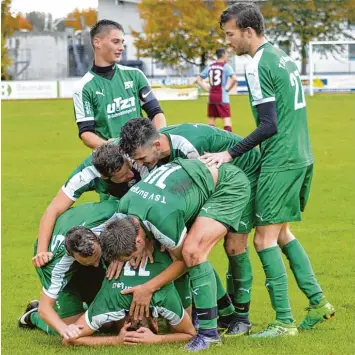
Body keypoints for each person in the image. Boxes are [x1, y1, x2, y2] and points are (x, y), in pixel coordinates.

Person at [200, 2, 335, 337]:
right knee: (282, 232)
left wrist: (229, 154)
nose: (228, 42)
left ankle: (284, 322)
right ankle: (318, 303)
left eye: (230, 35)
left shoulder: (257, 64)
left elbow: (269, 125)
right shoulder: (282, 56)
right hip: (303, 155)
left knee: (263, 240)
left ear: (248, 31)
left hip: (281, 159)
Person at [119, 118, 261, 334]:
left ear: (156, 146)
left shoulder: (189, 149)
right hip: (210, 178)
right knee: (188, 246)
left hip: (243, 171)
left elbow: (200, 187)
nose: (139, 164)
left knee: (232, 245)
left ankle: (241, 316)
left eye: (141, 158)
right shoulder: (152, 150)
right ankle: (223, 310)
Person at [100, 158, 250, 351]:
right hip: (193, 180)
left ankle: (208, 334)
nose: (133, 261)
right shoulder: (125, 208)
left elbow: (184, 262)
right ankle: (227, 315)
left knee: (193, 253)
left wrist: (148, 288)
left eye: (130, 257)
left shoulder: (162, 221)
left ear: (138, 240)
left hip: (228, 184)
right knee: (184, 251)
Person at [32, 143, 148, 272]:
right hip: (115, 197)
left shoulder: (136, 156)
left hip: (147, 191)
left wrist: (145, 239)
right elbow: (54, 209)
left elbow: (153, 203)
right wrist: (41, 251)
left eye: (129, 168)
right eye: (123, 175)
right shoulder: (84, 175)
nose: (131, 175)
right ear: (104, 177)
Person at [62, 239, 196, 346]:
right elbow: (190, 334)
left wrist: (116, 341)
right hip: (152, 239)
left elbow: (69, 340)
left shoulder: (110, 302)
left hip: (145, 237)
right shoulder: (164, 300)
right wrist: (156, 339)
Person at [19, 200, 120, 340]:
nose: (97, 265)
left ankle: (85, 307)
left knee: (108, 324)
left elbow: (137, 209)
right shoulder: (55, 265)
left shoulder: (112, 213)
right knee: (72, 326)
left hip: (85, 222)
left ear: (96, 237)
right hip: (58, 264)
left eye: (97, 257)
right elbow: (45, 308)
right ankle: (32, 316)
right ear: (71, 255)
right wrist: (64, 330)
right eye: (89, 263)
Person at [73, 19, 166, 149]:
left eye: (122, 42)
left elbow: (156, 112)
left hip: (144, 155)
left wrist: (158, 140)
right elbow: (86, 133)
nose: (121, 47)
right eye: (115, 42)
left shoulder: (135, 75)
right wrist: (113, 149)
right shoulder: (84, 87)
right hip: (113, 162)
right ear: (97, 42)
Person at [196, 48, 237, 132]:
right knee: (226, 119)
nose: (227, 56)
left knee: (211, 119)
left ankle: (211, 142)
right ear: (223, 55)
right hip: (222, 97)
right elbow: (234, 79)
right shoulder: (225, 66)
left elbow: (199, 79)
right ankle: (229, 142)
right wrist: (227, 88)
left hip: (212, 97)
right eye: (226, 54)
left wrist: (207, 89)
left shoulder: (210, 66)